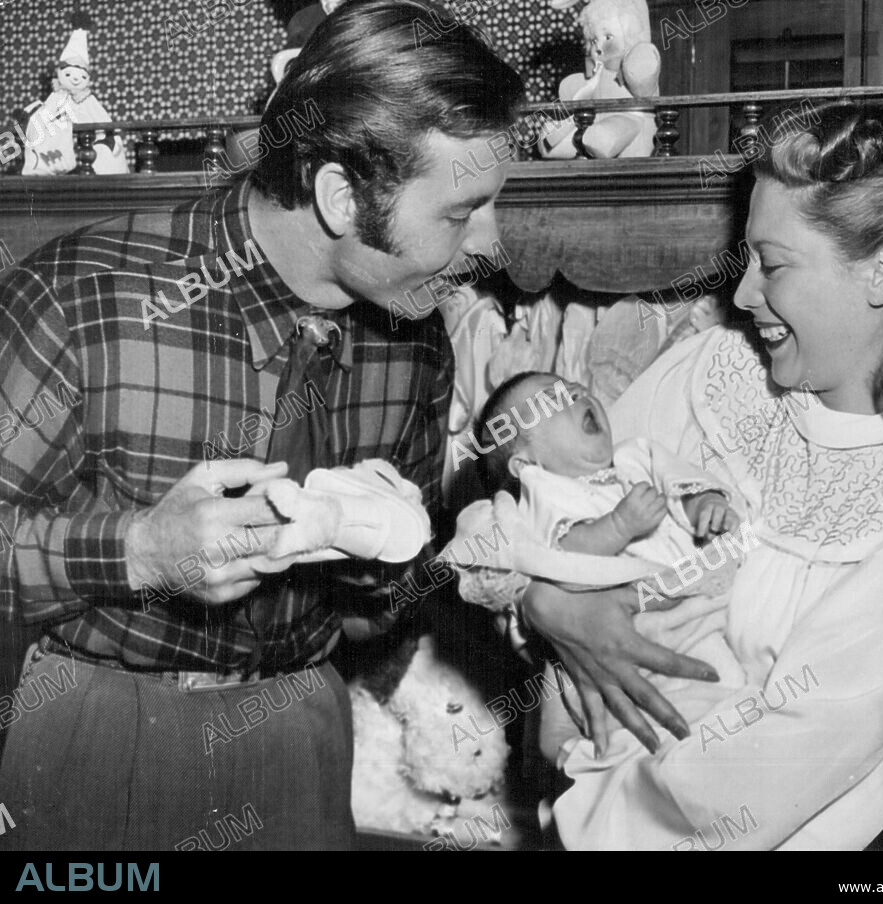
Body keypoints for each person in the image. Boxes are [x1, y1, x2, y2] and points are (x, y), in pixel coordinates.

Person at [0, 0, 524, 851]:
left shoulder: (418, 329)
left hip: (303, 734)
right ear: (339, 197)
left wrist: (386, 553)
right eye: (462, 213)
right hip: (90, 733)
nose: (491, 245)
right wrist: (140, 551)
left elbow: (382, 607)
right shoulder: (81, 295)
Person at [454, 100, 883, 849]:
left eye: (775, 264)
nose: (743, 293)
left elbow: (740, 791)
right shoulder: (713, 375)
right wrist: (544, 599)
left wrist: (578, 793)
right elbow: (542, 502)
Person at [454, 369, 746, 764]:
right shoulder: (544, 491)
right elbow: (564, 555)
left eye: (573, 389)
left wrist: (704, 503)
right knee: (637, 722)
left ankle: (711, 750)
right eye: (553, 401)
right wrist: (618, 526)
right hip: (610, 627)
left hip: (683, 611)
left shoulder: (635, 456)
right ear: (524, 462)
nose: (576, 395)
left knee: (722, 685)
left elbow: (682, 483)